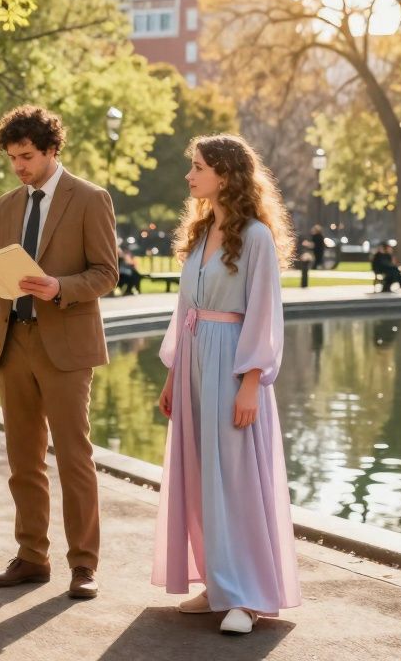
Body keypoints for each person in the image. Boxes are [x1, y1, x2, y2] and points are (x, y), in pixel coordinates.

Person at [0, 104, 118, 600]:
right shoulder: (8, 204)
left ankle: (84, 565)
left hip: (67, 346)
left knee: (74, 457)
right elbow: (1, 274)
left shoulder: (91, 199)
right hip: (15, 343)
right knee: (23, 460)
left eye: (27, 156)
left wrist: (58, 286)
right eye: (12, 158)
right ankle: (32, 556)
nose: (19, 167)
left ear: (52, 150)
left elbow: (105, 274)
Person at [154, 134, 301, 635]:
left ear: (225, 174)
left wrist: (250, 382)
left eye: (197, 167)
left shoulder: (256, 237)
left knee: (234, 479)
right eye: (191, 167)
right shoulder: (199, 234)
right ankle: (218, 583)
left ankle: (246, 594)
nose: (190, 176)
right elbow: (185, 310)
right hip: (195, 364)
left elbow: (264, 312)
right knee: (200, 477)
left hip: (233, 365)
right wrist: (174, 372)